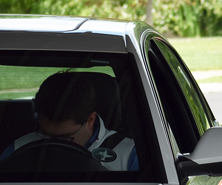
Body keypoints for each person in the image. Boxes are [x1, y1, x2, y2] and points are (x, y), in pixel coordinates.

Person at [0, 71, 138, 171]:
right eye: (45, 134)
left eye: (65, 138)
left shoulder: (128, 156)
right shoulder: (16, 151)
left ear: (90, 120)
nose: (54, 143)